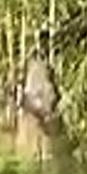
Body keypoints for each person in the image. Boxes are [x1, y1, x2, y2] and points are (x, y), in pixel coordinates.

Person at [17, 29, 59, 162]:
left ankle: (44, 155)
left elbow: (51, 79)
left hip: (42, 96)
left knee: (45, 129)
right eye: (43, 41)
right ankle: (36, 154)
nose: (45, 44)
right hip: (34, 96)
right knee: (35, 128)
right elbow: (23, 77)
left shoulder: (47, 60)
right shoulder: (32, 58)